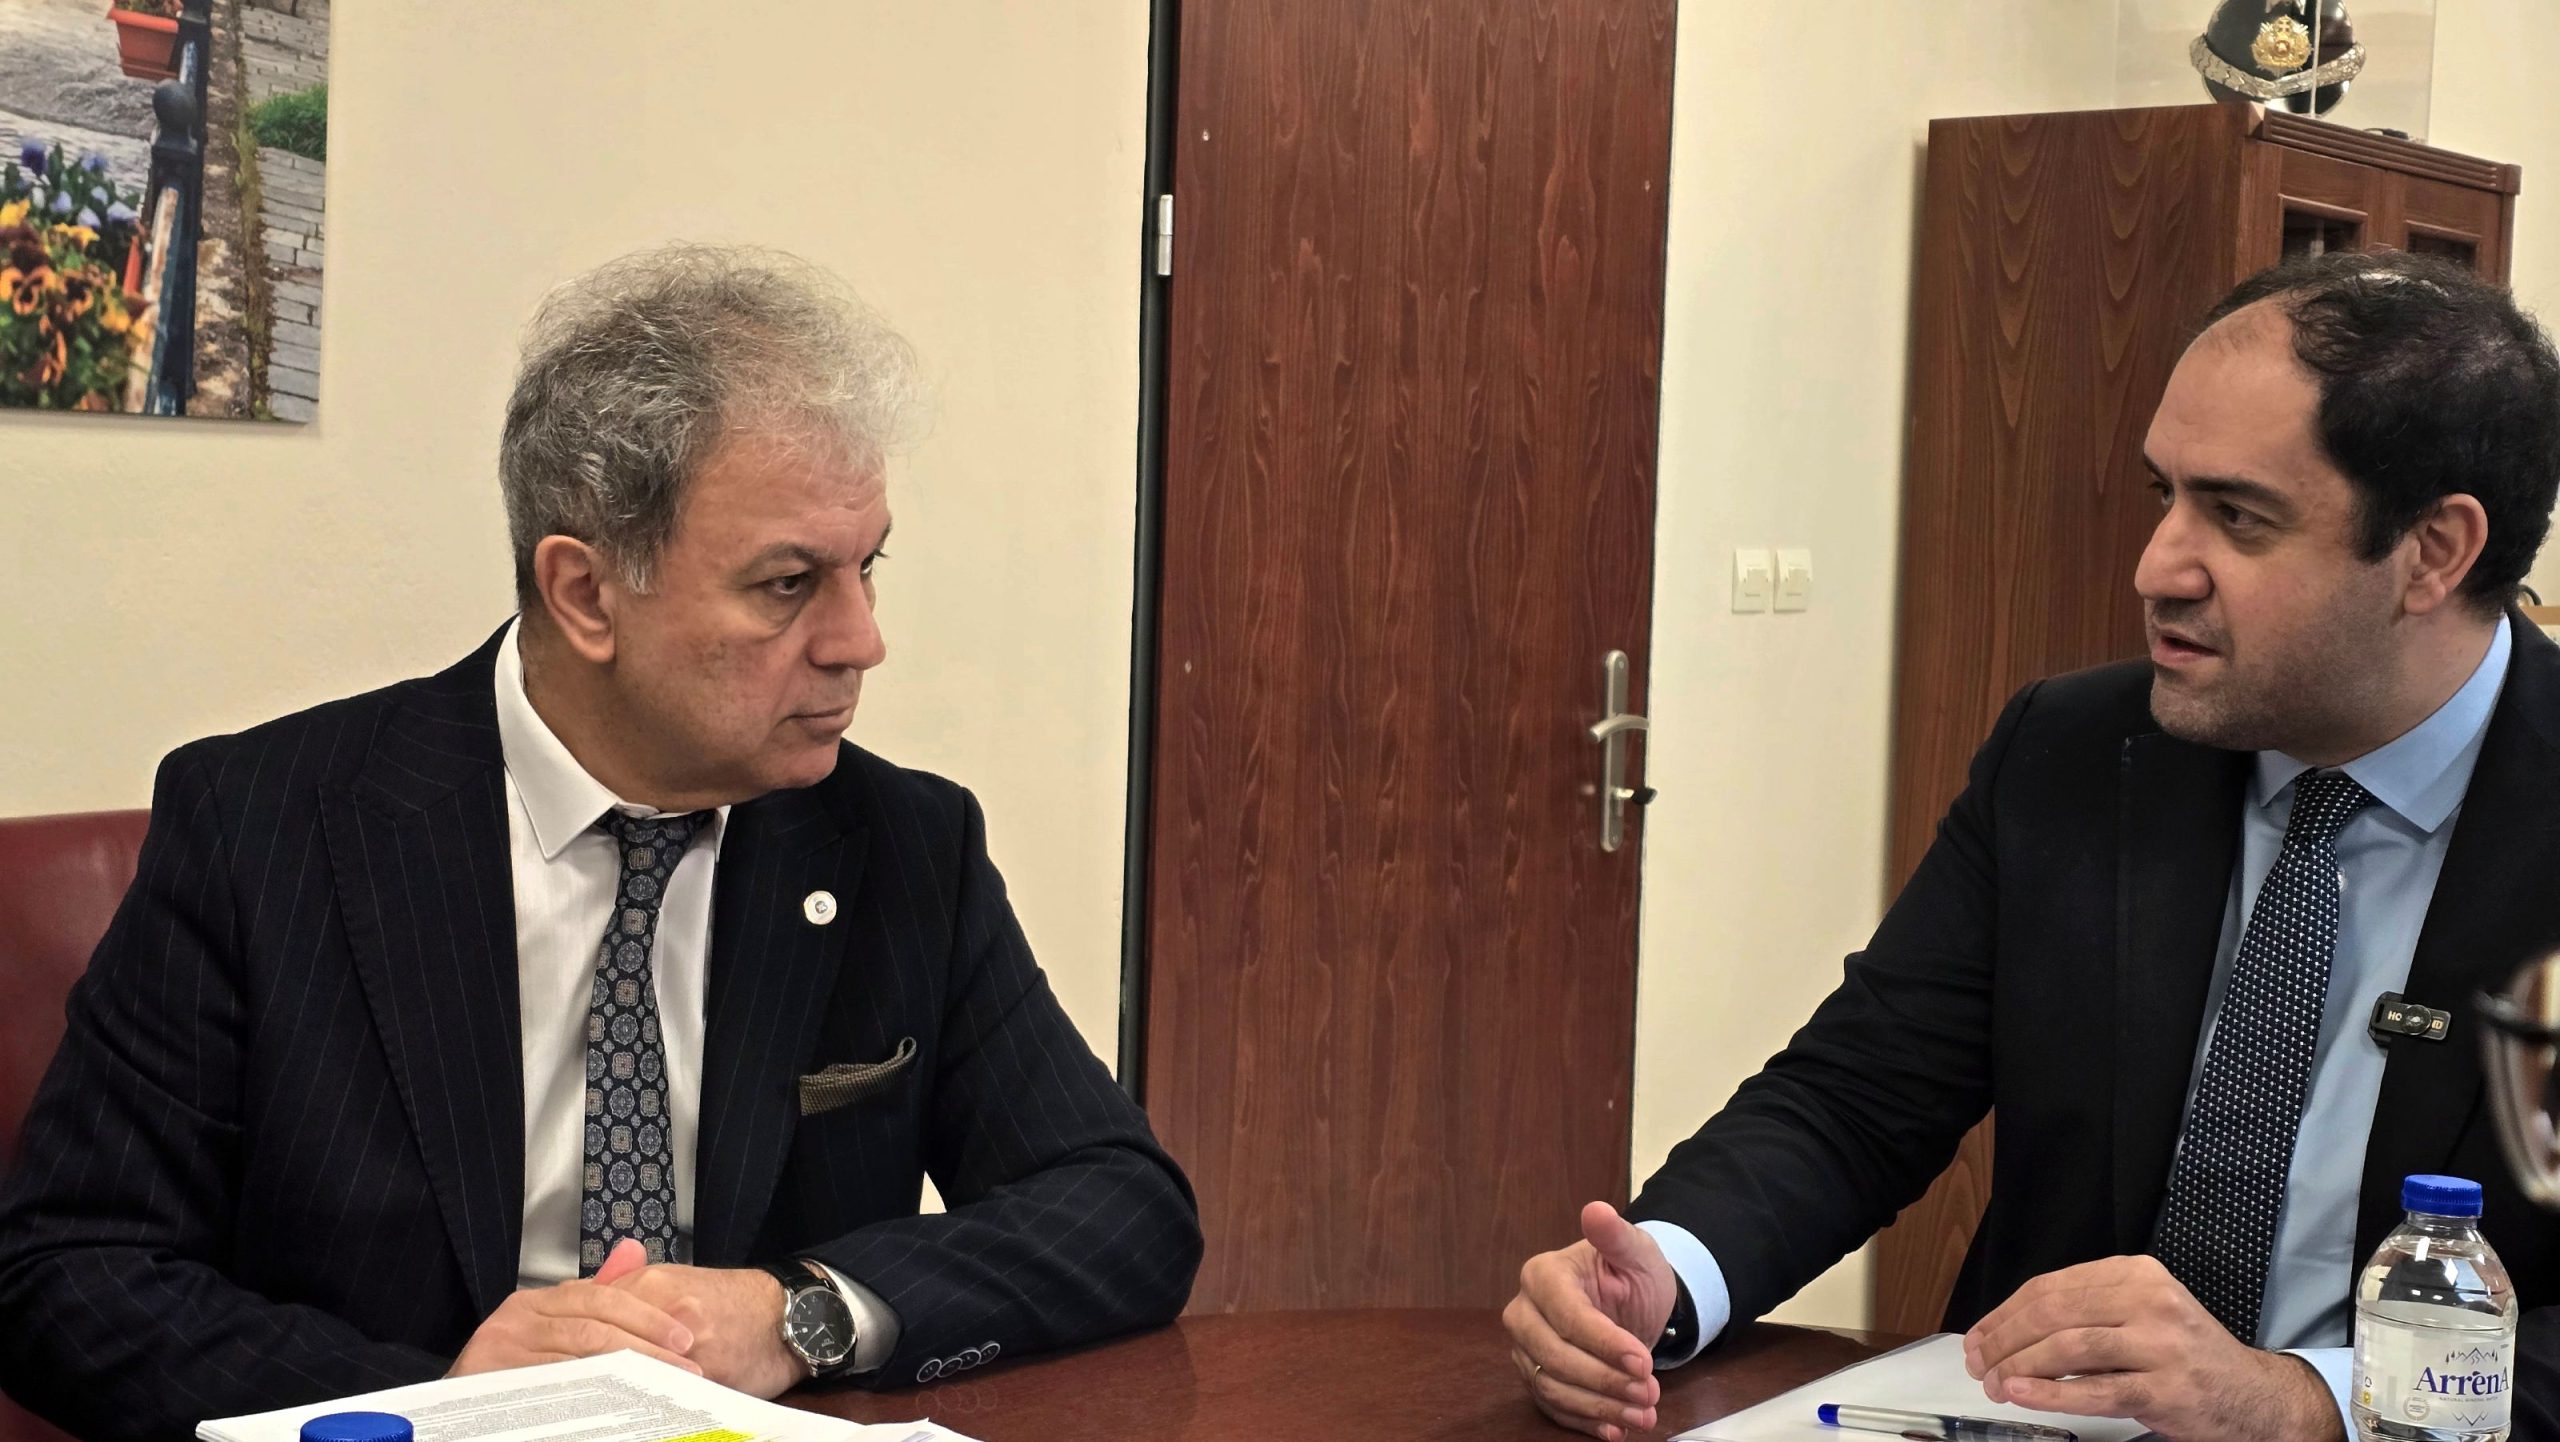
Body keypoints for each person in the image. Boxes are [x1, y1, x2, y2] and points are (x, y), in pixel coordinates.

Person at [0, 245, 1202, 1442]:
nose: (859, 640)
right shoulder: (265, 823)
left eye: (865, 566)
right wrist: (432, 1394)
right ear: (583, 593)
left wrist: (798, 1312)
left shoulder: (899, 842)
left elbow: (1120, 1207)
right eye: (788, 584)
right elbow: (66, 1269)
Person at [1506, 249, 2560, 1442]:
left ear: (2432, 550)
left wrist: (2299, 1400)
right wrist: (1664, 1268)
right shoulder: (2072, 749)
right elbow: (1860, 1095)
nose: (2156, 566)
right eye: (2162, 494)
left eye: (2237, 515)